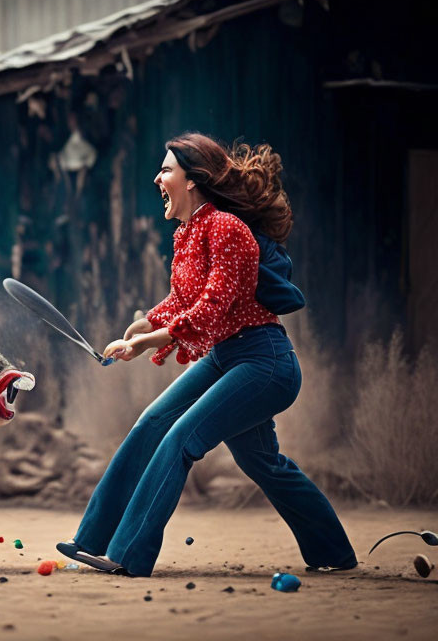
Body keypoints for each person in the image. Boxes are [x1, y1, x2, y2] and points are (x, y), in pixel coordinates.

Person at [57, 132, 357, 577]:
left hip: (264, 362)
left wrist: (150, 342)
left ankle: (127, 554)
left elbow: (213, 309)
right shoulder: (187, 234)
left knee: (181, 437)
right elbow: (184, 301)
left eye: (166, 170)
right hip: (226, 359)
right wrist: (146, 325)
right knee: (170, 429)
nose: (157, 178)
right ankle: (93, 538)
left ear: (193, 179)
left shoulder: (229, 229)